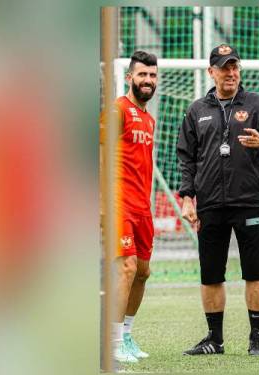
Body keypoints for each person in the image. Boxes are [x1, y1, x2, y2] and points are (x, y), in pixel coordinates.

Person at [177, 44, 259, 356]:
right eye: (224, 68)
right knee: (211, 274)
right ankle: (215, 339)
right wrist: (187, 196)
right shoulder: (196, 110)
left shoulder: (257, 104)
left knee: (255, 271)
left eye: (234, 67)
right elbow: (186, 157)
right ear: (211, 72)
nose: (231, 73)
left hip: (249, 202)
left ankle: (256, 338)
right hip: (210, 204)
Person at [100, 51, 158, 364]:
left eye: (151, 75)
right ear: (129, 78)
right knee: (127, 267)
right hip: (118, 202)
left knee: (143, 273)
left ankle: (126, 336)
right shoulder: (117, 110)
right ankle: (111, 342)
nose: (147, 81)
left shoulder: (149, 119)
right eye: (142, 75)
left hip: (142, 207)